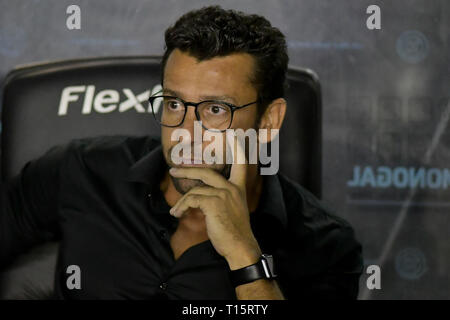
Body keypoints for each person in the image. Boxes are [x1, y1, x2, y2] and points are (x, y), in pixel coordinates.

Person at [0, 5, 362, 300]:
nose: (185, 133)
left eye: (215, 110)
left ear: (269, 120)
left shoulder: (325, 245)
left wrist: (243, 255)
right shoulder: (83, 171)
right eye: (174, 104)